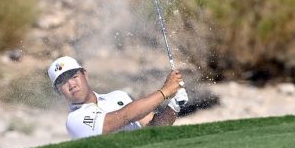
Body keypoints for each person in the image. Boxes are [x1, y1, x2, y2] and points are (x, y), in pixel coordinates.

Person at [47, 56, 189, 139]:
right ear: (59, 91)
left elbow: (155, 126)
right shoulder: (74, 120)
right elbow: (123, 117)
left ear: (85, 75)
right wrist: (165, 91)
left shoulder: (118, 96)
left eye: (74, 76)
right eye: (63, 83)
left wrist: (174, 106)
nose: (71, 84)